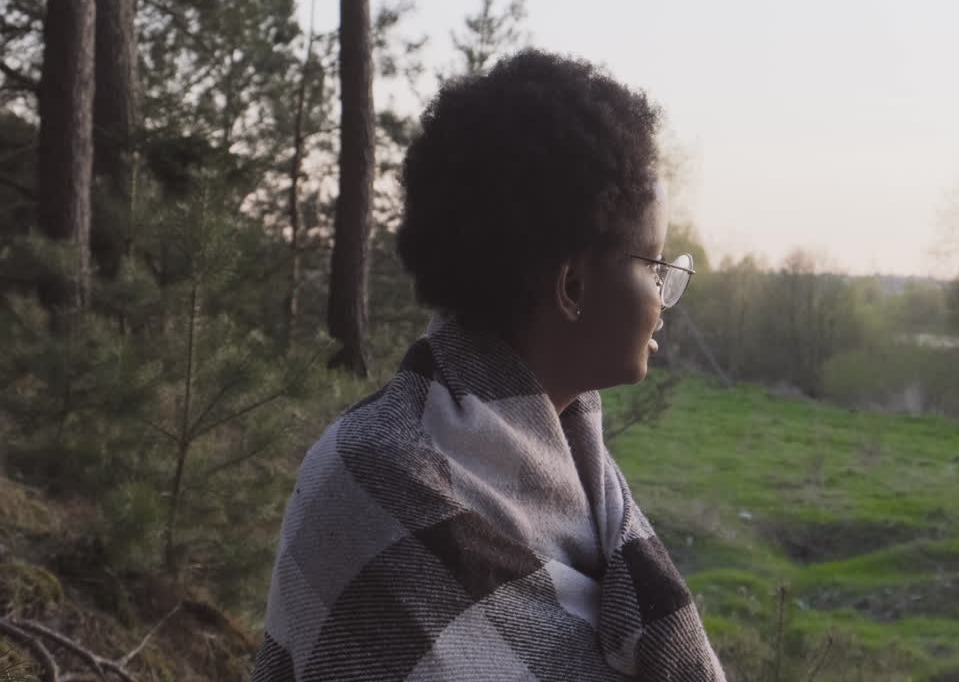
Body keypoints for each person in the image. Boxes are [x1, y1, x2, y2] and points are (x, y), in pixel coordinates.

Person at [251, 49, 723, 681]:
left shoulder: (586, 476)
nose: (665, 298)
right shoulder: (371, 479)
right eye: (657, 266)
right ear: (573, 287)